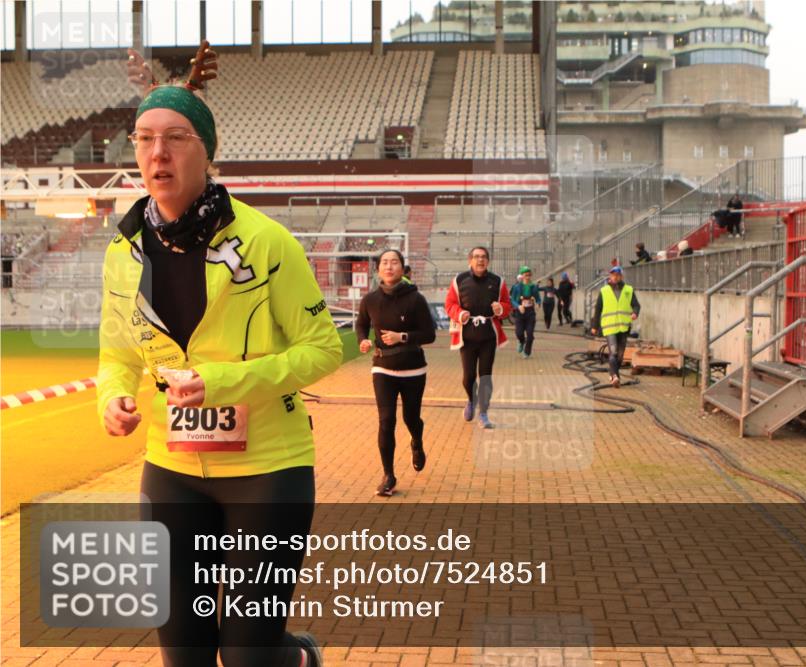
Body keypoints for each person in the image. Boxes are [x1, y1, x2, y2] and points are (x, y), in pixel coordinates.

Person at [99, 43, 338, 667]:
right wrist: (113, 396)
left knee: (249, 658)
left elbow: (324, 346)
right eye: (145, 138)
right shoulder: (121, 253)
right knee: (183, 652)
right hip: (171, 468)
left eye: (176, 137)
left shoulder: (267, 242)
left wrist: (225, 382)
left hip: (269, 470)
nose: (158, 152)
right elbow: (116, 353)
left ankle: (295, 657)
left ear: (205, 149)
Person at [355, 249, 436, 497]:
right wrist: (363, 340)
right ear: (378, 269)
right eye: (384, 263)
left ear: (402, 268)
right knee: (386, 421)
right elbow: (361, 324)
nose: (389, 266)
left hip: (413, 367)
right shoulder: (370, 300)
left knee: (411, 418)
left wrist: (402, 337)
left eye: (394, 262)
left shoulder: (416, 299)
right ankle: (388, 475)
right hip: (382, 367)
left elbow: (429, 334)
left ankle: (417, 443)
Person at [445, 247, 512, 429]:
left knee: (485, 376)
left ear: (488, 261)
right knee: (468, 377)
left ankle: (483, 413)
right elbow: (449, 304)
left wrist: (501, 309)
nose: (480, 260)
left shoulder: (498, 281)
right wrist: (459, 313)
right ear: (470, 260)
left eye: (483, 257)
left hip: (488, 336)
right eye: (476, 257)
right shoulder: (459, 280)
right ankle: (471, 399)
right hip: (466, 336)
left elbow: (507, 304)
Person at [590, 266, 640, 388]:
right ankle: (615, 377)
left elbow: (636, 305)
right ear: (610, 276)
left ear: (621, 276)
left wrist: (635, 313)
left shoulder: (628, 290)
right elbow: (598, 309)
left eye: (618, 274)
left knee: (620, 356)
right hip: (609, 327)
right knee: (613, 352)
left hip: (623, 327)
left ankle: (613, 374)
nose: (615, 277)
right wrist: (594, 326)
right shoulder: (604, 291)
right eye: (613, 274)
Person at [509, 265, 540, 359]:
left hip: (530, 313)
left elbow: (538, 298)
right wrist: (518, 306)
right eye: (526, 275)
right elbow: (512, 299)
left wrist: (538, 303)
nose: (528, 277)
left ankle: (527, 351)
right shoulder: (516, 287)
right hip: (520, 313)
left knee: (530, 334)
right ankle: (521, 341)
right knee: (519, 333)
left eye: (529, 275)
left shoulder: (533, 287)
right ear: (521, 275)